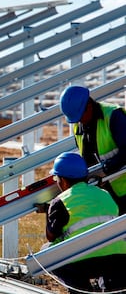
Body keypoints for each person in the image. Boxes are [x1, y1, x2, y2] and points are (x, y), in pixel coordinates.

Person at [38, 152, 126, 293]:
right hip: (119, 258)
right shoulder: (105, 193)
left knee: (46, 251)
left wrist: (48, 212)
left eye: (56, 178)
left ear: (64, 181)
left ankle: (80, 289)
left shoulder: (61, 201)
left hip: (84, 262)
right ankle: (110, 287)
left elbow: (51, 236)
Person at [60, 85, 126, 214]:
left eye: (80, 117)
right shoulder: (78, 126)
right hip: (104, 193)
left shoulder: (113, 116)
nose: (79, 122)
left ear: (89, 106)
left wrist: (107, 168)